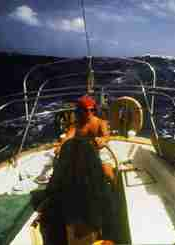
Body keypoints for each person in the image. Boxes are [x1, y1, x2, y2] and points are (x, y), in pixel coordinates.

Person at [41, 95, 115, 244]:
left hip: (97, 153)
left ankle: (115, 190)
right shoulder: (76, 125)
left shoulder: (100, 123)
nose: (89, 113)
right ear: (80, 111)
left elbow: (106, 137)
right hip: (79, 154)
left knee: (107, 171)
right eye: (85, 110)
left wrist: (102, 140)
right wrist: (61, 145)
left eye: (91, 110)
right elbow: (68, 137)